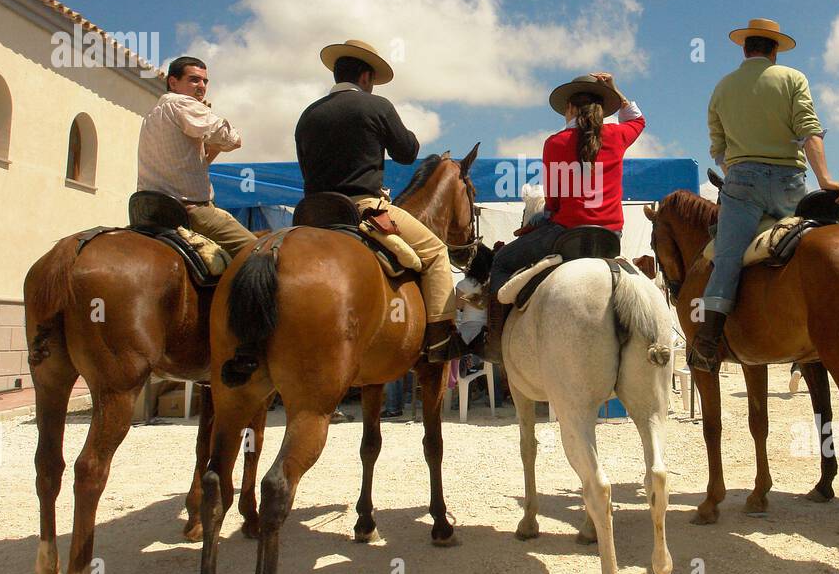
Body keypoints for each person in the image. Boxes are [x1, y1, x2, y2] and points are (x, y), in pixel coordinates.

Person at [688, 18, 839, 371]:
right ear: (774, 50)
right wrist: (827, 180)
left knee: (727, 256)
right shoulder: (793, 79)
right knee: (812, 248)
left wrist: (739, 175)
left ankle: (709, 341)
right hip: (790, 180)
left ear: (745, 49)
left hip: (742, 183)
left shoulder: (722, 88)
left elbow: (719, 149)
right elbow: (809, 132)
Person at [295, 39, 458, 363]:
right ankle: (440, 345)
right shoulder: (376, 106)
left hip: (311, 215)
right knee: (437, 253)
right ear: (366, 78)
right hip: (362, 207)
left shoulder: (308, 115)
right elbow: (407, 151)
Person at [479, 72, 644, 364]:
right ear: (601, 109)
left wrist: (542, 216)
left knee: (501, 261)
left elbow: (554, 201)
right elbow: (637, 120)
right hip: (610, 238)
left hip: (567, 234)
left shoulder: (554, 143)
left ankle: (496, 346)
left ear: (569, 109)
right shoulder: (617, 136)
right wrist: (615, 89)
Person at [137, 55, 257, 256]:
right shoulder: (183, 104)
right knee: (262, 253)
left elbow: (196, 164)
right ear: (173, 82)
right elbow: (234, 140)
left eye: (205, 81)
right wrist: (219, 134)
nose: (201, 86)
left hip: (148, 212)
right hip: (190, 211)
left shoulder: (153, 114)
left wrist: (209, 144)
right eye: (194, 79)